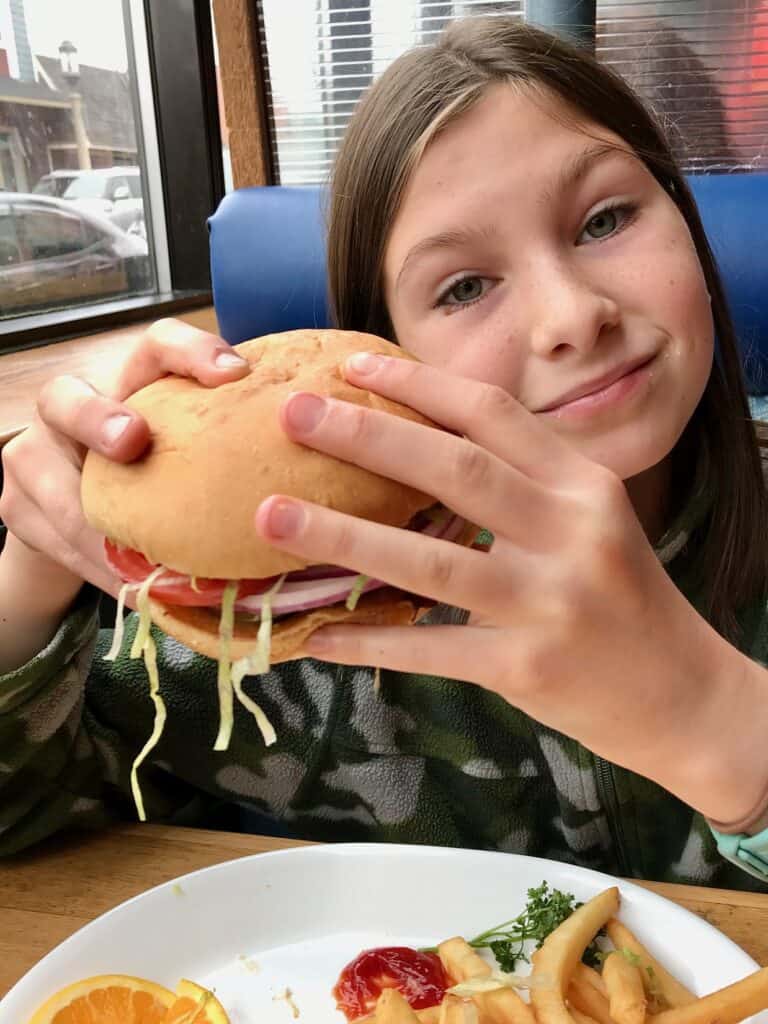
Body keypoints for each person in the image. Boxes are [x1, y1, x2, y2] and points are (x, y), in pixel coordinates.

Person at [1, 15, 768, 889]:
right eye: (465, 287)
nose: (571, 317)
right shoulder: (299, 637)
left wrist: (725, 728)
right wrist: (31, 571)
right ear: (383, 357)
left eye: (605, 219)